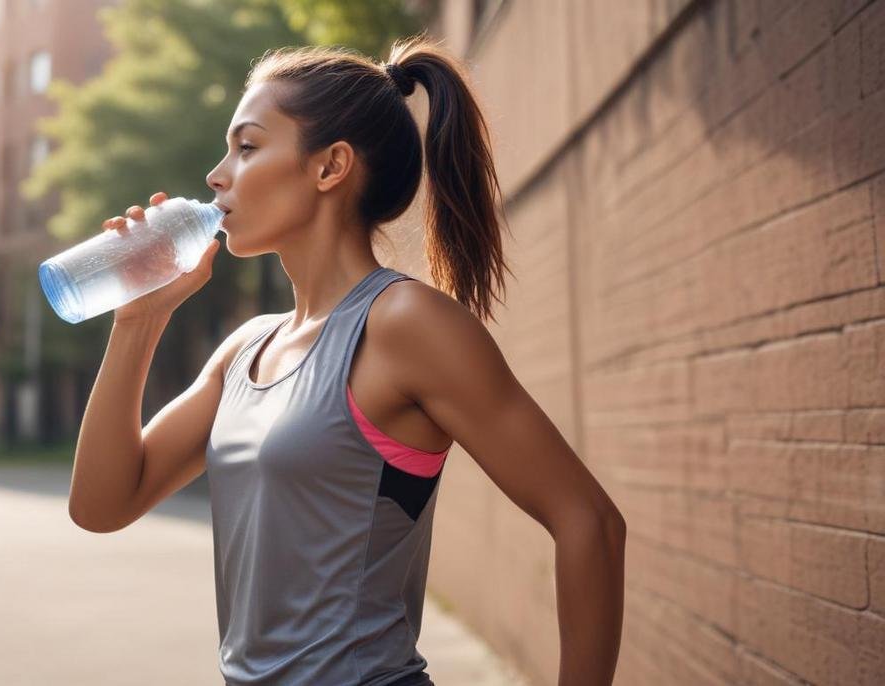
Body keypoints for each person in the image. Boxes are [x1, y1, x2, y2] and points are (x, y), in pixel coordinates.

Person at [69, 32, 626, 686]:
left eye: (246, 147)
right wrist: (139, 320)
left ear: (330, 167)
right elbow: (102, 505)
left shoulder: (404, 324)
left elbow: (589, 522)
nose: (217, 175)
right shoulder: (246, 350)